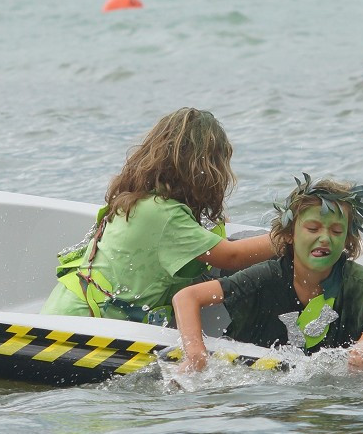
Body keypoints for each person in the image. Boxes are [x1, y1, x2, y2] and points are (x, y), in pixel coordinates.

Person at [41, 107, 275, 325]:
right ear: (203, 169)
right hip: (81, 324)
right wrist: (289, 237)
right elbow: (231, 256)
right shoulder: (164, 216)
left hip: (69, 313)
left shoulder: (140, 201)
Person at [173, 175, 363, 371]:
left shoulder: (353, 279)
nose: (325, 238)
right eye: (313, 228)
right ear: (289, 234)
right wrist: (195, 354)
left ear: (347, 240)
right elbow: (186, 297)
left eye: (337, 231)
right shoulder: (268, 275)